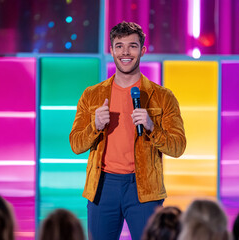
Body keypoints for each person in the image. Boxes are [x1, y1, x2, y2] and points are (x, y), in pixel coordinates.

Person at [69, 21, 186, 240]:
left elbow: (178, 147)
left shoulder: (163, 96)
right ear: (111, 50)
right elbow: (75, 144)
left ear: (142, 50)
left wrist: (152, 127)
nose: (125, 52)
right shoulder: (91, 95)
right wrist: (95, 126)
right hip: (103, 187)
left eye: (132, 46)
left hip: (144, 189)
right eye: (119, 45)